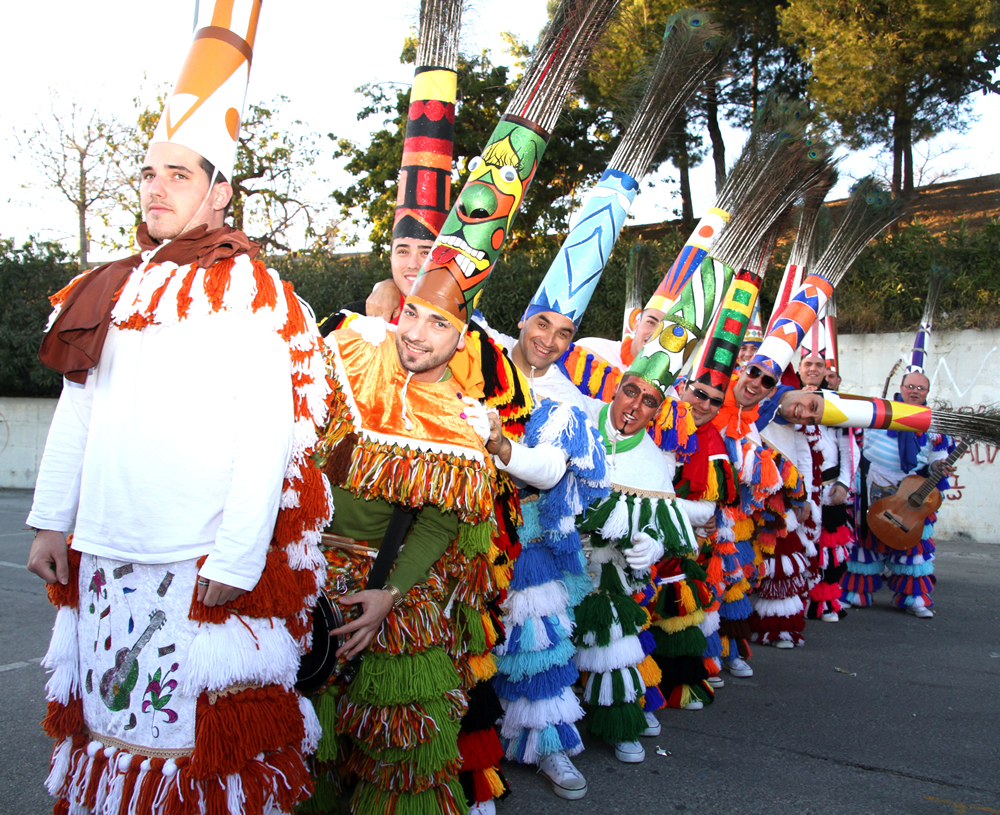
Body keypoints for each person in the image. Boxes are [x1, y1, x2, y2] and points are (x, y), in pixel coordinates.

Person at [26, 7, 331, 811]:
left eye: (179, 175)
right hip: (103, 551)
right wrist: (52, 520)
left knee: (187, 750)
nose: (157, 190)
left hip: (194, 559)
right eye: (148, 174)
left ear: (219, 191)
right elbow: (78, 408)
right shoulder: (111, 283)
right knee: (111, 732)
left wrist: (235, 559)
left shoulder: (251, 288)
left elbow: (269, 436)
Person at [311, 292, 497, 814]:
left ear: (462, 338)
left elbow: (438, 527)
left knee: (402, 755)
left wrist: (388, 595)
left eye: (439, 323)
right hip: (301, 573)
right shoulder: (348, 356)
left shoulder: (461, 423)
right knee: (301, 749)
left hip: (387, 582)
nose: (416, 332)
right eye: (411, 312)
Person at [841, 370, 953, 617]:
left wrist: (938, 466)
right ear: (900, 387)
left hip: (912, 490)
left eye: (920, 388)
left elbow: (937, 455)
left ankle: (913, 599)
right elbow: (854, 439)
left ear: (927, 393)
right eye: (910, 386)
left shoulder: (933, 422)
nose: (914, 391)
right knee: (865, 541)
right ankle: (856, 594)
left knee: (913, 545)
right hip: (873, 484)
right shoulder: (880, 411)